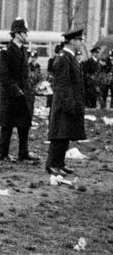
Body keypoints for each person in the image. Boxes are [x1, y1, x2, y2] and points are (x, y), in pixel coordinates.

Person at [0, 18, 38, 164]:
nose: (27, 35)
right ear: (17, 34)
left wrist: (29, 91)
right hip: (11, 96)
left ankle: (23, 153)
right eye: (25, 33)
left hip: (24, 94)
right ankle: (3, 153)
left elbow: (25, 75)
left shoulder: (23, 51)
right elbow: (3, 75)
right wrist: (16, 90)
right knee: (7, 125)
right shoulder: (7, 52)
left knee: (24, 125)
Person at [45, 27, 87, 177]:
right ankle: (52, 164)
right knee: (59, 135)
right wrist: (70, 105)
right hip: (64, 104)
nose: (81, 43)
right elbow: (63, 85)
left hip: (68, 103)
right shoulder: (64, 58)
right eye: (80, 40)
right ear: (73, 41)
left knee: (65, 134)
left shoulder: (68, 57)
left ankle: (59, 163)